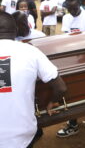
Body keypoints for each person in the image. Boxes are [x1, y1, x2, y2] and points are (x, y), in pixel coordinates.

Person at [0, 11, 67, 148]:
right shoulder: (31, 51)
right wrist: (52, 102)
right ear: (16, 30)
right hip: (22, 137)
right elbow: (61, 88)